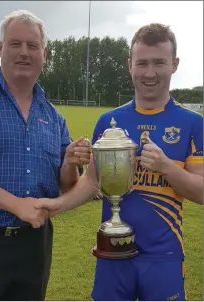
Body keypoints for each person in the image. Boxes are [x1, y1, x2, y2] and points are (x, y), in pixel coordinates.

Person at [36, 23, 203, 301]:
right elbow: (91, 183)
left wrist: (166, 167)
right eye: (142, 63)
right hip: (112, 252)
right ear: (130, 65)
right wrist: (54, 206)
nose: (150, 73)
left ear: (174, 64)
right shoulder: (109, 122)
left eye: (159, 62)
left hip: (164, 257)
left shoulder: (192, 124)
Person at [0, 10, 91, 301]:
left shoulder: (54, 117)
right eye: (15, 44)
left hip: (35, 246)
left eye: (32, 46)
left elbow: (68, 186)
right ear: (0, 49)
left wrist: (69, 163)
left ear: (44, 54)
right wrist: (16, 205)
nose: (24, 52)